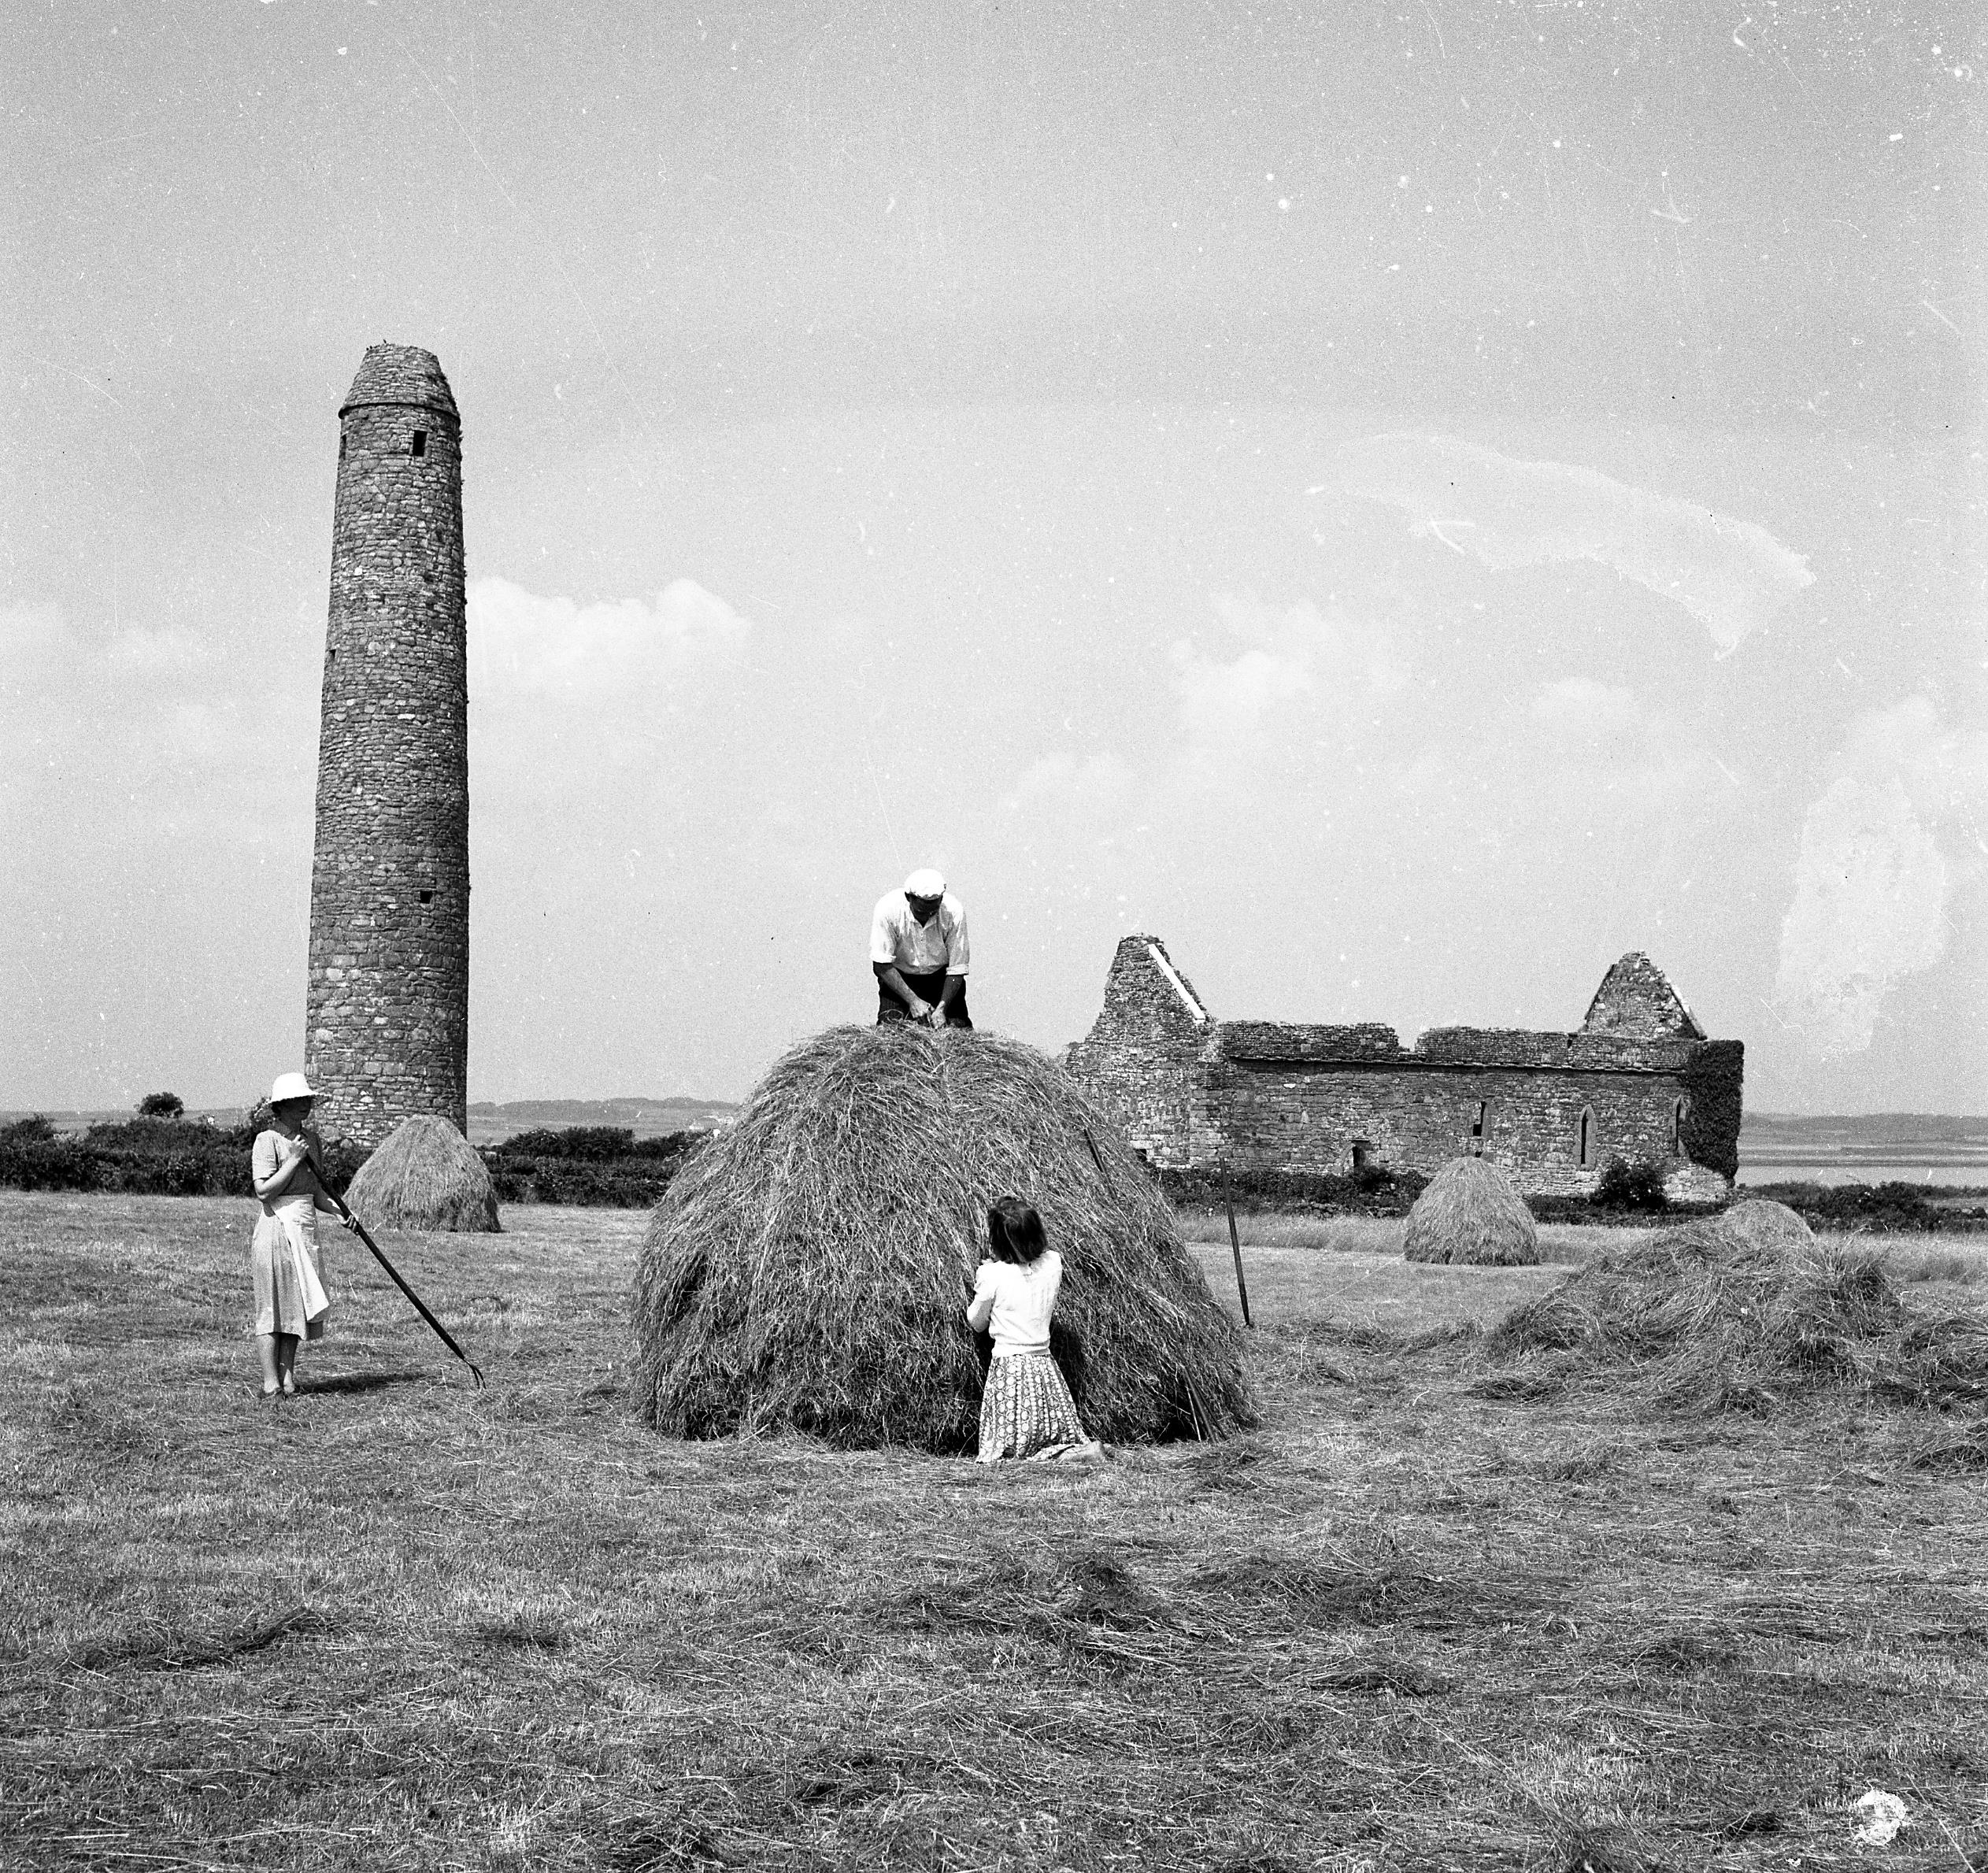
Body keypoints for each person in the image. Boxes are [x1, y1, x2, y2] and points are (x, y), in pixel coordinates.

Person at [965, 1197, 1101, 1463]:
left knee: (1005, 1453)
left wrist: (986, 1274)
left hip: (1011, 1370)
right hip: (1045, 1367)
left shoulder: (992, 1276)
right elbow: (1032, 1265)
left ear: (998, 1241)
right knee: (1051, 1435)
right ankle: (1076, 1452)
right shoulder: (1054, 1263)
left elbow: (976, 1322)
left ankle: (1069, 1458)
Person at [249, 1072, 355, 1398]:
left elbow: (316, 1192)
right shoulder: (267, 1141)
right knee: (272, 1307)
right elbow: (265, 1191)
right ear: (279, 1108)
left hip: (305, 1226)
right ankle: (270, 1384)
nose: (303, 1106)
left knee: (297, 1304)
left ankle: (289, 1379)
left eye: (306, 1100)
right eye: (296, 1101)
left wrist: (340, 1213)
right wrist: (292, 1160)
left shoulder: (312, 1141)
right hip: (276, 1227)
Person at [871, 867, 972, 1028]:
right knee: (889, 1035)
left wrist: (941, 1009)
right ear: (908, 898)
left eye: (934, 911)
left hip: (942, 980)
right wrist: (913, 1001)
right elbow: (881, 964)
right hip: (900, 979)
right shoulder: (887, 910)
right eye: (921, 911)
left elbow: (957, 968)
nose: (928, 916)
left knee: (958, 1033)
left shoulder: (954, 912)